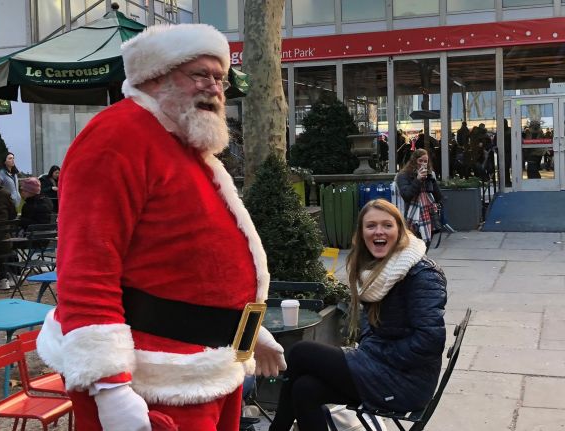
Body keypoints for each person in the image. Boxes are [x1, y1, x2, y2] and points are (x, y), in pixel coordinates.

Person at [35, 23, 285, 431]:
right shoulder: (117, 136)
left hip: (209, 367)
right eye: (200, 74)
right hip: (154, 380)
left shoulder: (186, 144)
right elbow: (86, 269)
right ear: (156, 77)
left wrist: (249, 333)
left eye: (219, 78)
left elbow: (202, 265)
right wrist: (110, 387)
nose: (215, 89)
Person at [269, 199, 447, 431]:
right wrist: (369, 348)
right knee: (305, 389)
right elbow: (368, 321)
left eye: (387, 225)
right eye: (371, 226)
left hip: (406, 382)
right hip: (381, 367)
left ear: (400, 230)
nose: (378, 231)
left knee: (301, 352)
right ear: (362, 233)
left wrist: (375, 354)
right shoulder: (378, 269)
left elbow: (430, 341)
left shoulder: (422, 275)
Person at [396, 149, 443, 248]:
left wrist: (432, 181)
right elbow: (406, 195)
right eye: (420, 161)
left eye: (425, 161)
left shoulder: (430, 174)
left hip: (428, 216)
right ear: (414, 160)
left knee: (426, 245)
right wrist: (417, 180)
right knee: (412, 247)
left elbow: (439, 197)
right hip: (411, 217)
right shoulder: (403, 175)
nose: (423, 164)